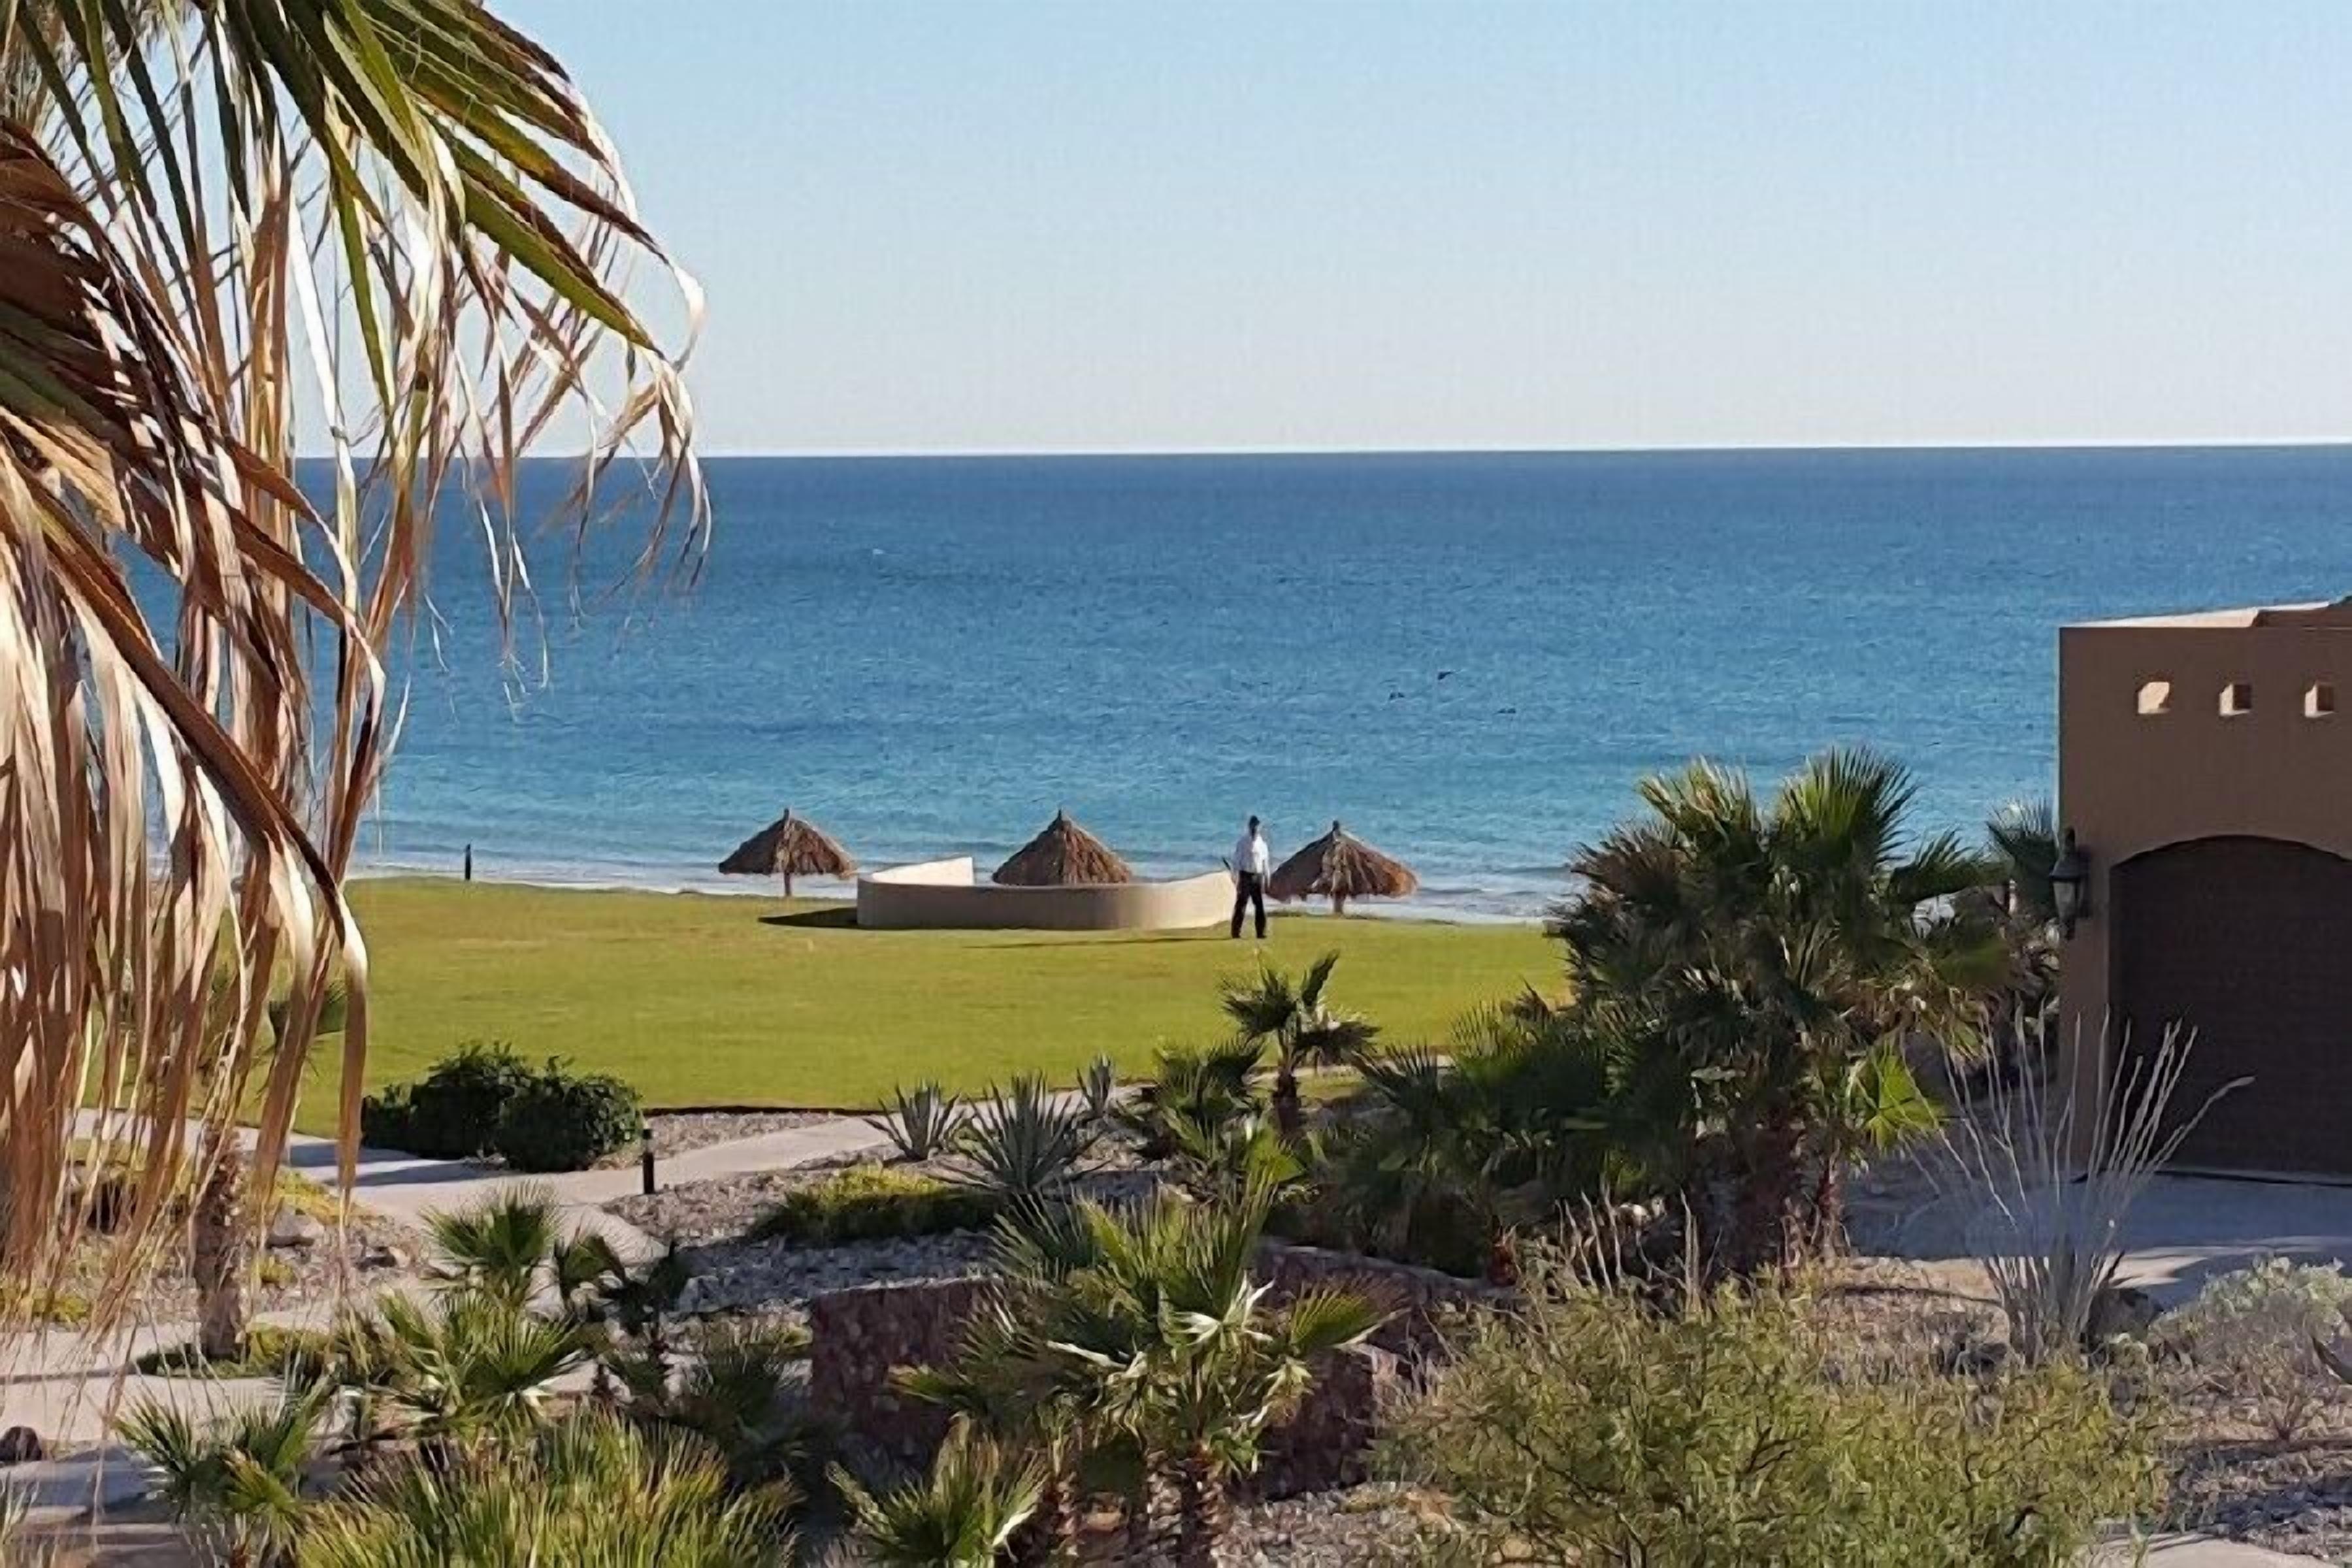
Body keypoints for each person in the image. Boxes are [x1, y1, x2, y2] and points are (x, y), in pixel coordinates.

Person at [1230, 815, 1270, 939]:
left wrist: (1267, 877)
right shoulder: (1243, 842)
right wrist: (1235, 876)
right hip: (1245, 876)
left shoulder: (1262, 844)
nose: (1255, 829)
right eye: (1253, 826)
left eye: (1257, 826)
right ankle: (1236, 933)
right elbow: (1237, 860)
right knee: (1241, 905)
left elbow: (1265, 862)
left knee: (1259, 905)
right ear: (1249, 827)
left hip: (1257, 876)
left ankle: (1261, 933)